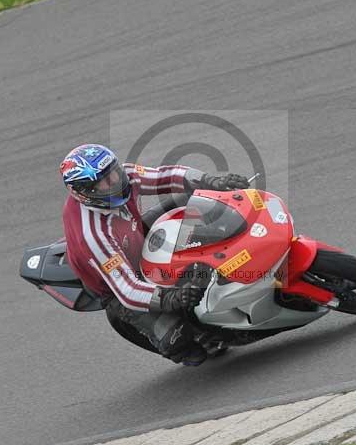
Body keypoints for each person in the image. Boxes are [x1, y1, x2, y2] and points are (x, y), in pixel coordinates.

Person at [60, 143, 249, 366]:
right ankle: (184, 341)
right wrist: (171, 299)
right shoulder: (93, 235)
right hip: (114, 284)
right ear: (85, 192)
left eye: (114, 172)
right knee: (180, 342)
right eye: (105, 182)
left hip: (134, 233)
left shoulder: (124, 175)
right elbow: (127, 289)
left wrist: (211, 181)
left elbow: (165, 176)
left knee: (194, 197)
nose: (116, 182)